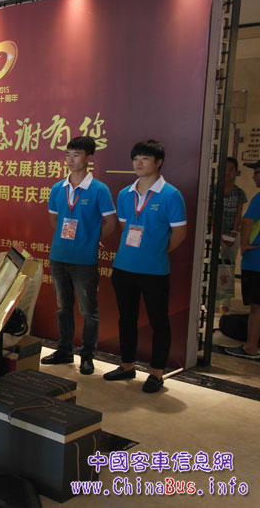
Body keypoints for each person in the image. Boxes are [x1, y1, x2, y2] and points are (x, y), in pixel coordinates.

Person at [104, 140, 187, 393]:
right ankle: (127, 366)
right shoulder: (124, 194)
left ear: (159, 162)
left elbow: (179, 234)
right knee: (126, 319)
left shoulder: (171, 195)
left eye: (145, 159)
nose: (138, 163)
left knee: (159, 321)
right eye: (135, 159)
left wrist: (156, 251)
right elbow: (125, 227)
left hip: (154, 270)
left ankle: (156, 373)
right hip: (124, 267)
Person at [40, 136, 117, 376]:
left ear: (89, 158)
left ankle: (87, 356)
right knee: (63, 307)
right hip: (58, 256)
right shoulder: (58, 188)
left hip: (84, 260)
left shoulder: (99, 189)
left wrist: (91, 238)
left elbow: (111, 222)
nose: (70, 159)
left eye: (76, 155)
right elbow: (54, 219)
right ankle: (64, 350)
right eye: (68, 154)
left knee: (88, 311)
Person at [224, 161, 260, 360]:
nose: (253, 177)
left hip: (256, 261)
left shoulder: (258, 198)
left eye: (256, 172)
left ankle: (251, 347)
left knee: (256, 307)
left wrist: (244, 245)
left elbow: (246, 221)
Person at [218, 157, 247, 312]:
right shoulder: (212, 190)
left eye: (231, 169)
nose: (227, 172)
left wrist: (233, 233)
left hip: (233, 236)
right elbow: (209, 212)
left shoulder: (239, 193)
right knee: (211, 265)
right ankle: (210, 301)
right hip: (215, 234)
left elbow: (238, 215)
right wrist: (218, 233)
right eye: (225, 169)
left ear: (236, 172)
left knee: (228, 266)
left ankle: (225, 302)